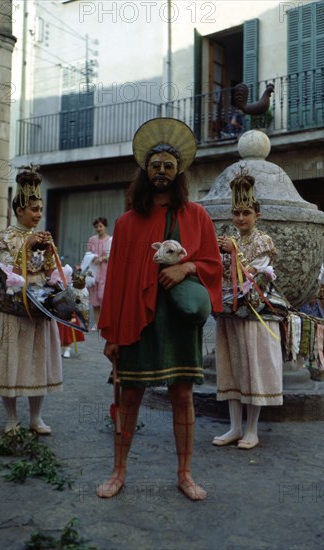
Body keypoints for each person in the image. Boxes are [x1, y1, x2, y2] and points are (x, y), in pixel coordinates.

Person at [96, 118, 223, 501]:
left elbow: (214, 264)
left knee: (181, 396)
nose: (162, 172)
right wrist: (112, 336)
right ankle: (118, 471)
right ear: (145, 172)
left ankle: (185, 473)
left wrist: (187, 266)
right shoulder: (126, 223)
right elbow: (115, 281)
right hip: (136, 321)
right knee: (129, 395)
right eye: (156, 167)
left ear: (179, 170)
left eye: (169, 166)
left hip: (179, 323)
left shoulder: (197, 216)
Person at [0, 165, 63, 435]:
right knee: (11, 361)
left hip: (38, 305)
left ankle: (36, 418)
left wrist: (50, 252)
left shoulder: (41, 235)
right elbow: (6, 276)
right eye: (34, 209)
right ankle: (11, 418)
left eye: (41, 209)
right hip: (11, 307)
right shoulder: (4, 237)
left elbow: (50, 273)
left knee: (36, 362)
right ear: (19, 210)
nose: (39, 215)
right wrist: (26, 248)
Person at [213, 170, 283, 449]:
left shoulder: (263, 241)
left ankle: (252, 429)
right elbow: (220, 274)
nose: (240, 218)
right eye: (236, 213)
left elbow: (254, 275)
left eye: (245, 213)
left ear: (257, 215)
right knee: (231, 366)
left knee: (253, 366)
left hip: (255, 313)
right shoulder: (229, 241)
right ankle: (234, 427)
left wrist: (233, 253)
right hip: (230, 311)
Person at [85, 216, 112, 329]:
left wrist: (102, 259)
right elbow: (88, 253)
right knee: (95, 299)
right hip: (93, 271)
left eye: (100, 226)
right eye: (96, 227)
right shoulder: (92, 239)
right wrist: (91, 258)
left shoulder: (110, 240)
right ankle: (98, 323)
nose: (98, 229)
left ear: (105, 226)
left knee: (103, 297)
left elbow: (112, 255)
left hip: (105, 271)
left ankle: (107, 322)